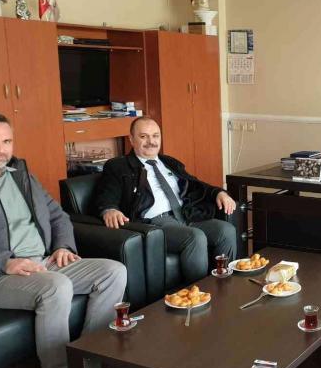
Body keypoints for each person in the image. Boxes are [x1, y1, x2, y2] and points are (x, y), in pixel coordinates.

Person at [0, 112, 127, 368]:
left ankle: (90, 360)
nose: (1, 150)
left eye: (6, 142)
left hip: (43, 262)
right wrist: (5, 262)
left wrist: (62, 246)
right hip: (2, 274)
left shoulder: (21, 175)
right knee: (56, 286)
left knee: (113, 272)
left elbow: (58, 215)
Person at [94, 117, 237, 284]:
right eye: (143, 136)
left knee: (225, 230)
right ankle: (199, 293)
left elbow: (195, 184)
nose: (151, 141)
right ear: (131, 139)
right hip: (154, 224)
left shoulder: (169, 162)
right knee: (194, 237)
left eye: (155, 136)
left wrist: (218, 192)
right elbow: (106, 194)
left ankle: (226, 285)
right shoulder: (118, 166)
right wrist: (109, 209)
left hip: (186, 215)